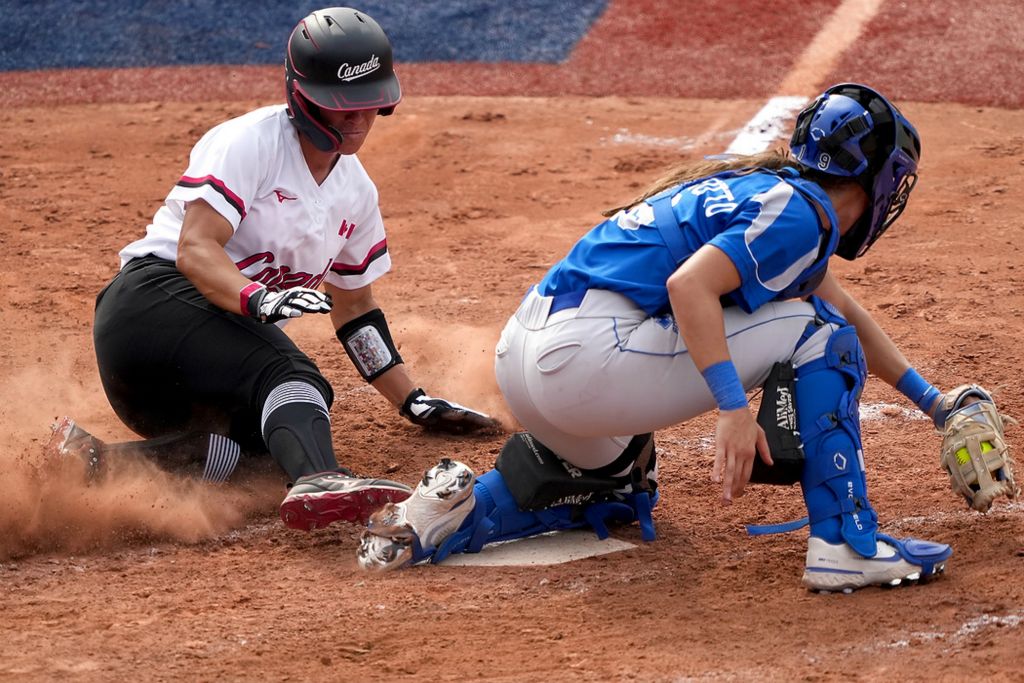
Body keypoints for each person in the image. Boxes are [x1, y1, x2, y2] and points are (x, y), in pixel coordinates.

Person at [357, 83, 968, 592]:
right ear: (873, 176)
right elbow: (691, 287)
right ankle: (844, 544)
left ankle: (455, 517)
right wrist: (732, 406)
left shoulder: (772, 195)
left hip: (532, 361)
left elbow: (840, 302)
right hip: (587, 361)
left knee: (623, 477)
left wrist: (937, 404)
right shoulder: (799, 214)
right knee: (822, 337)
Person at [46, 6, 499, 532]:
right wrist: (258, 299)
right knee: (292, 376)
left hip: (180, 389)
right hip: (149, 309)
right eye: (342, 107)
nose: (357, 120)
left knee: (260, 446)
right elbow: (195, 249)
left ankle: (96, 463)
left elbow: (354, 309)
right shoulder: (253, 142)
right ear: (302, 97)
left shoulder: (356, 193)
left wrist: (412, 401)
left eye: (369, 106)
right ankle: (320, 480)